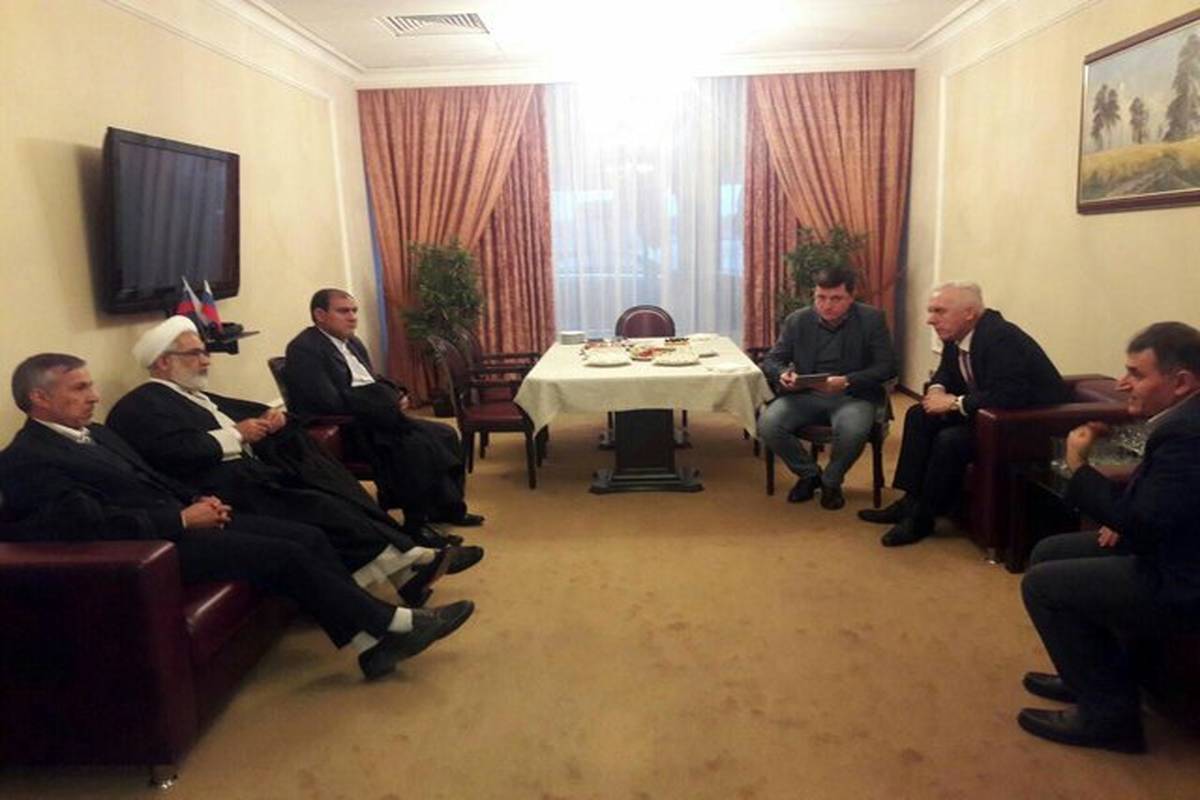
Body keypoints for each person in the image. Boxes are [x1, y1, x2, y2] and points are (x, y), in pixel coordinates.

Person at [0, 353, 475, 680]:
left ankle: (372, 648)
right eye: (80, 388)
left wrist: (200, 500)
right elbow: (86, 526)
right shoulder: (27, 458)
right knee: (287, 554)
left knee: (307, 535)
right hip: (153, 549)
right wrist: (181, 521)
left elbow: (154, 478)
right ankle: (394, 625)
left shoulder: (98, 434)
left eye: (90, 385)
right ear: (39, 399)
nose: (94, 395)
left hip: (185, 519)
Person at [107, 316, 482, 607]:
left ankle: (410, 563)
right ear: (162, 362)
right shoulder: (144, 404)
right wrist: (238, 433)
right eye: (195, 354)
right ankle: (410, 558)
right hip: (228, 489)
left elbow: (246, 412)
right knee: (326, 501)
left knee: (336, 484)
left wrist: (274, 418)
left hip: (255, 471)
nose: (205, 360)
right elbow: (174, 451)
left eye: (205, 352)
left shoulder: (190, 394)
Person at [1017, 322, 1200, 753]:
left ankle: (1110, 718)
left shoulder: (1187, 433)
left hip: (1183, 576)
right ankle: (1089, 675)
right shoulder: (1182, 420)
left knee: (1042, 587)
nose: (1122, 383)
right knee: (1048, 552)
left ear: (1181, 382)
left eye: (1136, 373)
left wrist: (1078, 465)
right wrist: (1127, 515)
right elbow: (1165, 501)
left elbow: (1146, 522)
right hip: (1173, 546)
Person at [859, 282, 1069, 546]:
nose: (930, 320)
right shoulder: (958, 335)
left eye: (939, 311)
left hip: (1023, 423)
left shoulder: (1001, 338)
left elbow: (1011, 394)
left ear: (969, 313)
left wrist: (955, 403)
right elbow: (946, 371)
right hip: (987, 413)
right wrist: (937, 389)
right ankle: (909, 501)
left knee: (950, 439)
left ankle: (923, 518)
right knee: (918, 414)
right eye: (931, 311)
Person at [283, 289, 481, 537]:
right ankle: (416, 523)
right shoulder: (304, 349)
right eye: (343, 311)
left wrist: (397, 393)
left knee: (445, 434)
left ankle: (446, 509)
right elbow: (328, 401)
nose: (352, 317)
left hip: (379, 417)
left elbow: (371, 379)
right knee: (416, 446)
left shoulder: (353, 342)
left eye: (354, 311)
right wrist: (383, 403)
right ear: (320, 315)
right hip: (350, 427)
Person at [757, 266, 897, 509]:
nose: (827, 305)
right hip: (805, 394)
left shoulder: (871, 319)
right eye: (820, 297)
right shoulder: (798, 320)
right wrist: (783, 374)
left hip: (853, 395)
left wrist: (848, 380)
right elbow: (772, 360)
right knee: (768, 424)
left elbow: (887, 367)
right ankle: (809, 474)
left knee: (853, 431)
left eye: (836, 298)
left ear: (851, 297)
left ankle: (831, 481)